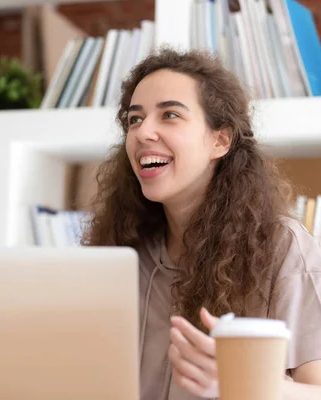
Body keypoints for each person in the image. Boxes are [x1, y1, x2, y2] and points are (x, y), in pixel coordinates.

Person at [82, 47, 321, 400]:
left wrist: (245, 384)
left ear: (219, 140)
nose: (143, 132)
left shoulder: (282, 247)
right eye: (135, 119)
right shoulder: (118, 250)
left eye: (170, 115)